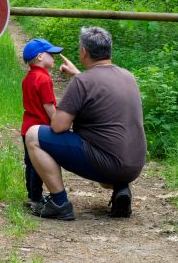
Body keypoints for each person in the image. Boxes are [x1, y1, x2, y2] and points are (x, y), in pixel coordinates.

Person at [25, 26, 146, 221]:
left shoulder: (82, 82)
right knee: (111, 138)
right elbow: (101, 91)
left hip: (108, 163)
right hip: (134, 165)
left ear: (83, 52)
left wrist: (77, 80)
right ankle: (121, 188)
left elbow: (58, 126)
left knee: (33, 135)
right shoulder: (128, 76)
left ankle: (59, 203)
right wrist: (78, 75)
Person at [20, 38, 63, 210]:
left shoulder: (28, 78)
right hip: (40, 129)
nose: (54, 57)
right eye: (51, 54)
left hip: (26, 127)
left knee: (29, 163)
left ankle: (32, 196)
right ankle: (36, 198)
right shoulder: (44, 79)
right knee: (39, 163)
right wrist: (58, 122)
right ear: (40, 57)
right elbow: (48, 106)